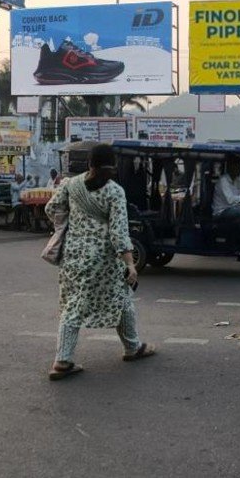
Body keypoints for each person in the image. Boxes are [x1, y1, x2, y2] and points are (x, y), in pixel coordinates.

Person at [44, 143, 155, 381]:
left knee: (120, 298)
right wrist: (130, 264)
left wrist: (69, 226)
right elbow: (118, 233)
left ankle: (133, 346)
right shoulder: (114, 191)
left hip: (72, 256)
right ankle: (62, 361)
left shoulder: (69, 184)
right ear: (112, 167)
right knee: (79, 306)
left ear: (89, 164)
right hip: (101, 259)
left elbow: (51, 208)